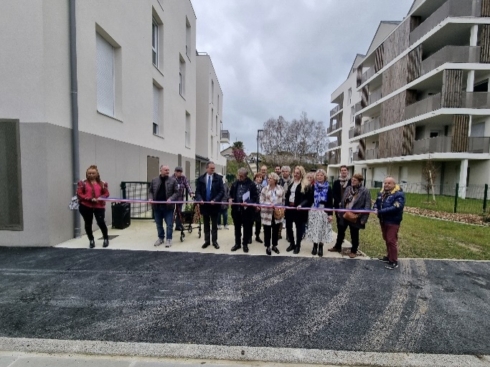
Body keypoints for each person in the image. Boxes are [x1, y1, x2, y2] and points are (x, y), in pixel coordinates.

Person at [333, 173, 371, 258]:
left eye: (355, 180)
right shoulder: (348, 188)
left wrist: (364, 219)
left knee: (354, 233)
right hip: (345, 214)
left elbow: (367, 205)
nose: (353, 181)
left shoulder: (365, 191)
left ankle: (354, 250)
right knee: (340, 231)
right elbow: (343, 201)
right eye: (352, 180)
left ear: (360, 181)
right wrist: (340, 212)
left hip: (355, 216)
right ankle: (337, 246)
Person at [374, 176, 405, 270]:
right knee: (386, 239)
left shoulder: (398, 194)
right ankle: (389, 257)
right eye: (385, 183)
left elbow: (396, 207)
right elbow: (377, 203)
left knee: (391, 240)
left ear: (394, 184)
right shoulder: (382, 193)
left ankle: (394, 261)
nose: (386, 185)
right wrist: (375, 207)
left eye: (389, 183)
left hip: (393, 221)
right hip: (383, 220)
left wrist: (380, 211)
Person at [77, 165, 110, 248]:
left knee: (101, 222)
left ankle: (105, 238)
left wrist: (100, 198)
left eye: (93, 173)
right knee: (88, 223)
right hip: (86, 206)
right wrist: (90, 199)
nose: (91, 175)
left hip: (99, 206)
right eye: (89, 173)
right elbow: (79, 194)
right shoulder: (82, 183)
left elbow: (106, 193)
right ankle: (91, 240)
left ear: (97, 173)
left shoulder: (102, 183)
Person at [195, 161, 225, 249]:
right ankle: (207, 241)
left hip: (214, 205)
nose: (213, 170)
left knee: (214, 225)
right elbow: (198, 192)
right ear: (207, 168)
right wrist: (200, 199)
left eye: (214, 168)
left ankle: (214, 241)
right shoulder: (201, 179)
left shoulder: (219, 178)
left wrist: (215, 199)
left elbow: (222, 191)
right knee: (206, 224)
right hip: (204, 205)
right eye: (211, 168)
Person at [149, 165, 179, 247]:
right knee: (159, 224)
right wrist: (150, 198)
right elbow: (151, 191)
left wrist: (171, 199)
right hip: (157, 206)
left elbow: (177, 192)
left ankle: (169, 239)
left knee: (169, 224)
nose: (167, 171)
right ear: (161, 170)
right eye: (165, 170)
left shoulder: (173, 181)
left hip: (168, 207)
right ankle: (161, 238)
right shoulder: (154, 180)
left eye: (168, 170)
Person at [229, 168, 258, 253]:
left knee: (246, 228)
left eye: (241, 176)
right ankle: (237, 244)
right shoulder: (235, 184)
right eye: (239, 175)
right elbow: (230, 194)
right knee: (237, 228)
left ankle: (245, 244)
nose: (239, 177)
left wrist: (249, 202)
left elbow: (255, 197)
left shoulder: (251, 184)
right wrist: (230, 199)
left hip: (247, 210)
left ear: (245, 176)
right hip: (236, 210)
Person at [285, 166, 312, 254]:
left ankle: (298, 245)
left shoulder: (306, 185)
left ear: (301, 174)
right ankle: (292, 243)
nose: (295, 174)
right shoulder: (291, 183)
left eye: (297, 173)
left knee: (299, 228)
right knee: (288, 227)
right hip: (290, 208)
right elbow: (288, 195)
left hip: (299, 210)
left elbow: (308, 199)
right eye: (295, 173)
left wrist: (301, 205)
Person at [307, 169, 333, 257]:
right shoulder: (313, 187)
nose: (319, 177)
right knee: (314, 228)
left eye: (321, 175)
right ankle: (314, 246)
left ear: (324, 176)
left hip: (324, 210)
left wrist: (330, 214)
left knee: (322, 229)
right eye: (317, 175)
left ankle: (321, 246)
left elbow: (330, 202)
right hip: (314, 209)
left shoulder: (328, 187)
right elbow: (309, 199)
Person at [260, 172, 285, 255]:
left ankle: (274, 245)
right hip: (267, 213)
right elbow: (261, 201)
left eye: (270, 178)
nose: (268, 179)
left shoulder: (280, 189)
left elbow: (283, 200)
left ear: (275, 180)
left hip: (277, 213)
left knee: (276, 230)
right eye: (268, 178)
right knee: (267, 230)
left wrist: (282, 208)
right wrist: (268, 205)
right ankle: (267, 246)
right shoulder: (264, 189)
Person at [329, 165, 352, 253]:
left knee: (351, 228)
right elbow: (334, 194)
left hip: (349, 208)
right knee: (340, 226)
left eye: (345, 170)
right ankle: (338, 245)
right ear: (340, 172)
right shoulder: (336, 182)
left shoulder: (351, 182)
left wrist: (345, 202)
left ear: (347, 171)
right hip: (339, 208)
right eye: (342, 170)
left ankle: (353, 248)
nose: (343, 172)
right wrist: (339, 202)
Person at [172, 166, 194, 231]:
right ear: (175, 172)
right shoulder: (171, 178)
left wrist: (191, 193)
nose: (180, 173)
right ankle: (170, 225)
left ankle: (178, 225)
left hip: (180, 198)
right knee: (172, 212)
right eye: (178, 172)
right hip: (172, 199)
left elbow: (187, 185)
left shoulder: (183, 178)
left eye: (181, 172)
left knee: (179, 212)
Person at [278, 166, 292, 239]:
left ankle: (288, 235)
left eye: (286, 171)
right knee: (279, 218)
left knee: (289, 219)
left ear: (289, 172)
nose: (285, 172)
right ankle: (279, 234)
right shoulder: (279, 180)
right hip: (280, 201)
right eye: (283, 171)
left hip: (289, 201)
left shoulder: (292, 180)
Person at [251, 172, 264, 244]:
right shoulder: (251, 185)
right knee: (251, 222)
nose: (259, 179)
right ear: (255, 178)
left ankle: (257, 236)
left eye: (260, 177)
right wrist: (254, 205)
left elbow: (263, 197)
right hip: (252, 206)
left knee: (258, 222)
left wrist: (260, 206)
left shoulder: (263, 187)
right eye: (257, 177)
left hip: (260, 206)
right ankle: (249, 236)